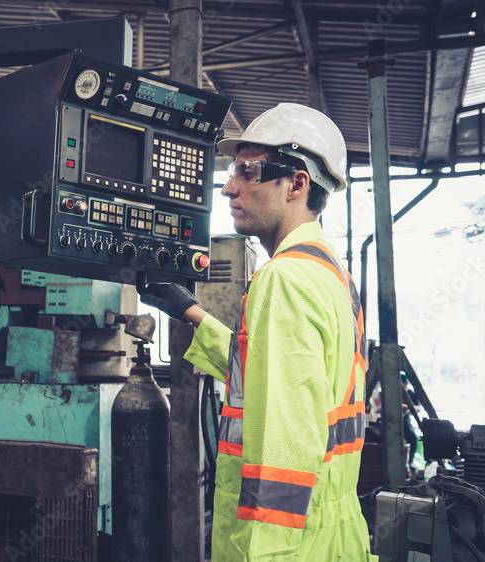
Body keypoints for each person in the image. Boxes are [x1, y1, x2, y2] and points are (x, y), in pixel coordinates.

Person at [140, 103, 374, 560]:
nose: (229, 188)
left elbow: (284, 448)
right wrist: (191, 312)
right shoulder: (329, 274)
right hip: (333, 535)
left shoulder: (283, 279)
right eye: (232, 171)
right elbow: (278, 379)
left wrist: (265, 554)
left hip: (286, 545)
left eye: (248, 172)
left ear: (297, 184)